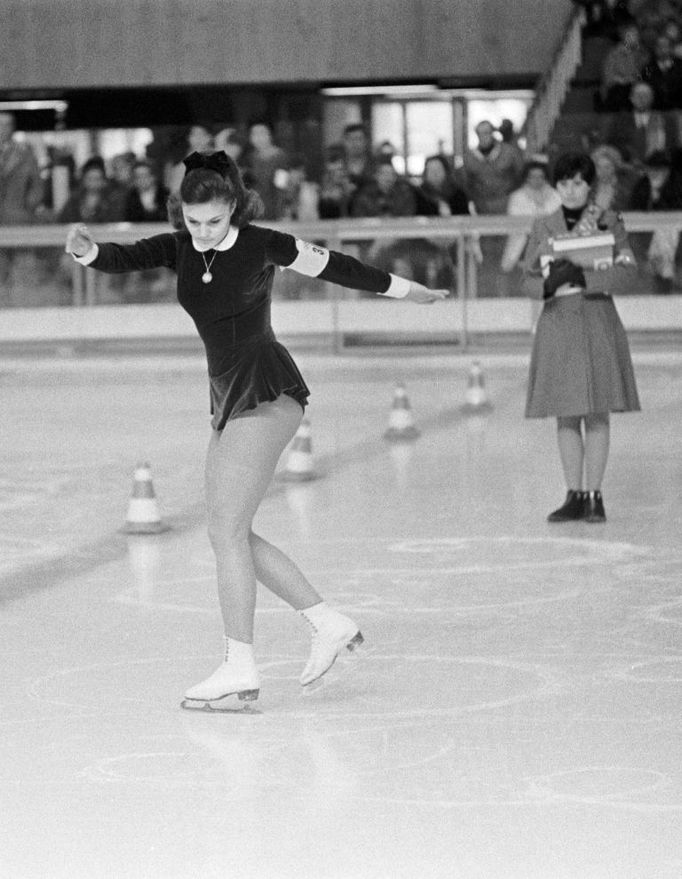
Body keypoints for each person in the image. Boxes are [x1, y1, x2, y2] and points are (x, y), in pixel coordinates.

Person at [64, 150, 448, 711]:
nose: (201, 232)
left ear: (234, 211)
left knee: (226, 530)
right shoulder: (178, 247)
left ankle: (241, 665)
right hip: (227, 400)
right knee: (229, 532)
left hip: (267, 390)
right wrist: (87, 250)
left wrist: (408, 290)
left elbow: (340, 266)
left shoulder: (263, 242)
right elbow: (121, 257)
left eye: (213, 221)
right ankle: (326, 621)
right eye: (192, 221)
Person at [522, 151, 640, 523]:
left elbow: (628, 271)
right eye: (564, 183)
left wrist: (587, 278)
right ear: (556, 187)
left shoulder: (608, 221)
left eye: (578, 182)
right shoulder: (543, 225)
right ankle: (573, 493)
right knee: (567, 414)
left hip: (596, 320)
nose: (570, 190)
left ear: (590, 186)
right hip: (558, 322)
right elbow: (526, 278)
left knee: (598, 411)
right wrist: (546, 285)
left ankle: (595, 495)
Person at [500, 158, 562, 276]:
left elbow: (558, 220)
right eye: (533, 176)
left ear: (546, 178)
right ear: (526, 178)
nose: (537, 180)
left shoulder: (556, 195)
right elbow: (514, 222)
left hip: (551, 246)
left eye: (540, 176)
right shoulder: (517, 197)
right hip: (523, 247)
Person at [604, 81, 678, 166]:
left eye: (646, 95)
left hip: (660, 167)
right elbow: (610, 144)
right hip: (627, 167)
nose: (641, 98)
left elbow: (673, 147)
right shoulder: (619, 120)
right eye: (638, 94)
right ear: (631, 98)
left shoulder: (666, 120)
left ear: (652, 98)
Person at [241, 121, 290, 220]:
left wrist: (281, 211)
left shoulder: (280, 156)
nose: (258, 137)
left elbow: (281, 185)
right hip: (253, 208)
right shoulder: (250, 157)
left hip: (273, 206)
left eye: (262, 133)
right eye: (254, 134)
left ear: (270, 135)